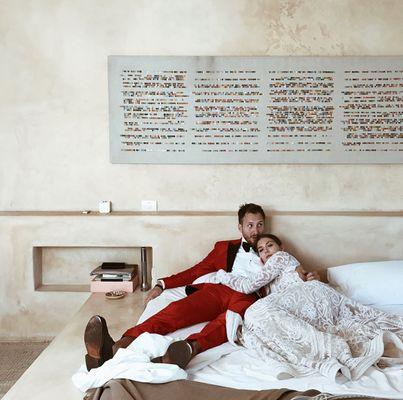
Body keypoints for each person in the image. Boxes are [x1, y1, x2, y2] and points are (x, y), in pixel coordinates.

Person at [84, 204, 317, 371]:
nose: (255, 231)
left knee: (228, 322)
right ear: (240, 227)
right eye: (250, 225)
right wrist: (162, 284)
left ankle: (188, 349)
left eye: (259, 225)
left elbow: (295, 273)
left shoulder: (274, 248)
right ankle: (117, 346)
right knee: (175, 312)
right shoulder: (225, 248)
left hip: (251, 297)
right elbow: (196, 271)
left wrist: (312, 277)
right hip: (219, 289)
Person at [213, 233, 403, 381]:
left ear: (281, 247)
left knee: (256, 312)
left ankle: (330, 349)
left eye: (270, 245)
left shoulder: (281, 258)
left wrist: (222, 275)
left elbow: (247, 286)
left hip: (309, 295)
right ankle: (311, 353)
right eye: (261, 250)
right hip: (302, 303)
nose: (267, 251)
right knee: (256, 320)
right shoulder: (268, 276)